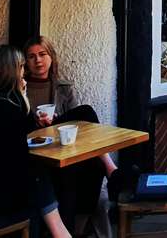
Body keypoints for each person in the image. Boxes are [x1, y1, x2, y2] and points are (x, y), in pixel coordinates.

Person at [24, 36, 116, 236]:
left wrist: (58, 120)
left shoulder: (62, 87)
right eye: (31, 56)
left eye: (42, 54)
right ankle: (112, 168)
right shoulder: (21, 88)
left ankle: (74, 229)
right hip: (36, 147)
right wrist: (35, 121)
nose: (38, 60)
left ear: (51, 57)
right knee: (86, 112)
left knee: (92, 164)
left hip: (62, 145)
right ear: (25, 62)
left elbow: (81, 128)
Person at [0, 45, 71, 238]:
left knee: (39, 177)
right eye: (22, 65)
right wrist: (22, 96)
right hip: (6, 194)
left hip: (8, 185)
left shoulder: (7, 102)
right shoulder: (10, 105)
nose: (25, 71)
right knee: (39, 177)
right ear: (13, 71)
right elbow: (17, 152)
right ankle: (60, 231)